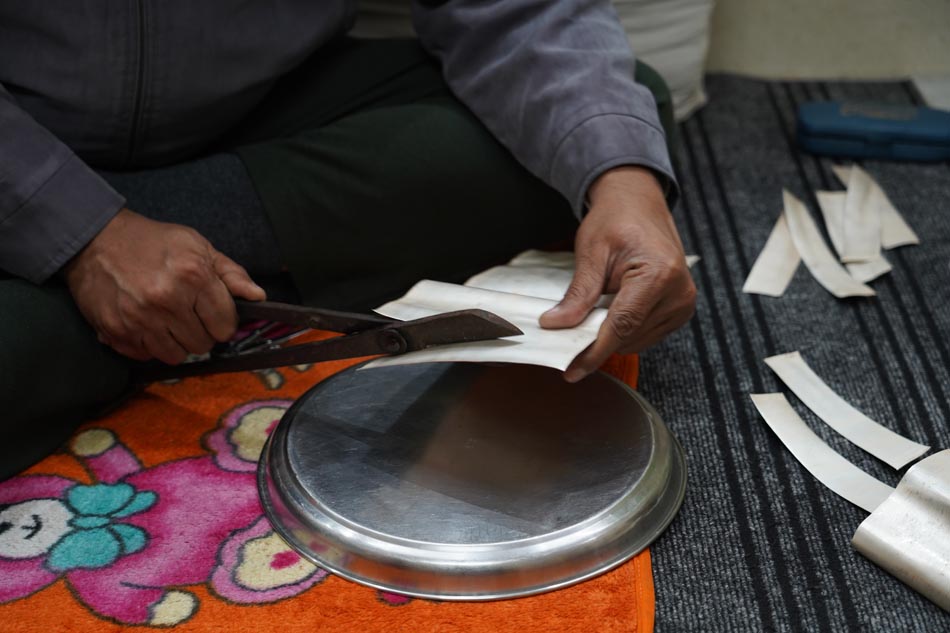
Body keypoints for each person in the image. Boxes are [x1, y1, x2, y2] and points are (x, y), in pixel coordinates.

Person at [0, 0, 696, 479]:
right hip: (22, 146)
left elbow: (519, 13)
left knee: (614, 128)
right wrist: (82, 231)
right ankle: (148, 284)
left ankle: (161, 277)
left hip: (267, 110)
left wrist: (622, 181)